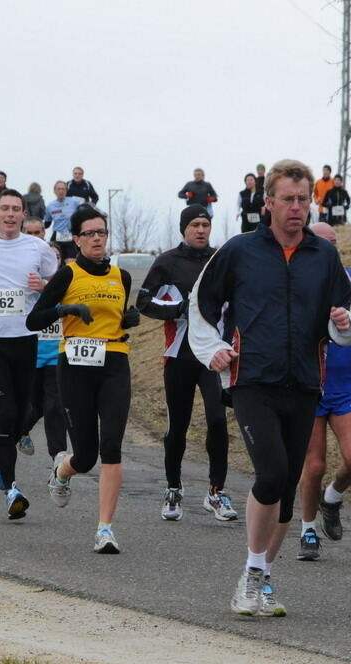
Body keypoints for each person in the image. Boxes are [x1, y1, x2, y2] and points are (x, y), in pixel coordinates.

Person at [188, 159, 351, 617]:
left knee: (286, 487)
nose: (297, 208)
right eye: (288, 199)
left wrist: (343, 324)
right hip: (252, 380)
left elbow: (349, 317)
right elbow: (200, 304)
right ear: (268, 203)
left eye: (304, 199)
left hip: (304, 381)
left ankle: (262, 576)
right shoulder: (240, 250)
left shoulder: (323, 256)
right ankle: (250, 572)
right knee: (270, 474)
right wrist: (213, 350)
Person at [26, 204, 141, 554]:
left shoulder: (121, 276)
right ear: (76, 239)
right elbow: (35, 319)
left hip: (115, 362)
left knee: (111, 446)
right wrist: (66, 310)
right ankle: (62, 471)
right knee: (86, 456)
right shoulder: (67, 274)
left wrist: (130, 319)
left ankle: (104, 529)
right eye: (89, 233)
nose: (97, 239)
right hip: (75, 364)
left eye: (101, 233)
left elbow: (119, 318)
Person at [138, 204, 234, 522]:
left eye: (206, 224)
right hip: (179, 353)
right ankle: (173, 488)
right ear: (184, 229)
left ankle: (216, 492)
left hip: (212, 355)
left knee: (218, 421)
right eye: (195, 224)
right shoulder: (167, 262)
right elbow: (143, 302)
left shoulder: (220, 260)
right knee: (177, 426)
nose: (201, 230)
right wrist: (176, 310)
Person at [0, 190, 58, 518]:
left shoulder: (38, 248)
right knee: (5, 414)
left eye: (15, 209)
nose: (9, 214)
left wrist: (42, 285)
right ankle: (11, 487)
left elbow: (56, 281)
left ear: (22, 214)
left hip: (26, 338)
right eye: (3, 208)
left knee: (24, 412)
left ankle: (3, 466)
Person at [296, 223, 351, 561]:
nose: (330, 249)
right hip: (309, 384)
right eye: (323, 243)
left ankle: (331, 498)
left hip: (345, 383)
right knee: (314, 464)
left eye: (334, 243)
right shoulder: (297, 280)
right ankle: (307, 529)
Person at [19, 221, 68, 461]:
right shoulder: (20, 273)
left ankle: (58, 457)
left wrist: (47, 288)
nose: (34, 237)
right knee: (34, 407)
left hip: (55, 353)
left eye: (38, 232)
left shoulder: (65, 278)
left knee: (55, 406)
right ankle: (19, 431)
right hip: (27, 352)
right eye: (29, 233)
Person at [43, 181, 82, 263]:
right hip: (57, 235)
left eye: (63, 189)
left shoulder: (74, 202)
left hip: (70, 235)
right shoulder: (50, 206)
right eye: (59, 189)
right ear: (54, 191)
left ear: (66, 191)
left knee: (71, 262)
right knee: (55, 261)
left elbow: (84, 211)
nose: (61, 191)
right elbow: (47, 223)